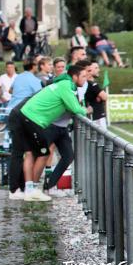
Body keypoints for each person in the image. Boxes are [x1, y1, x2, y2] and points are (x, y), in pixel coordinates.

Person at [12, 65, 89, 202]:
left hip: (27, 115)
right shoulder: (66, 85)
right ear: (74, 76)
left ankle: (30, 189)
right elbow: (75, 108)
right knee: (43, 153)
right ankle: (32, 189)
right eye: (83, 76)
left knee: (31, 153)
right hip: (33, 118)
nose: (85, 78)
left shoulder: (63, 83)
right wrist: (87, 110)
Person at [84, 61, 108, 128]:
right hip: (96, 117)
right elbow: (105, 97)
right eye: (96, 68)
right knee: (101, 137)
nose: (99, 70)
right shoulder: (92, 84)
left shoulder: (88, 83)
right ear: (90, 70)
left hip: (93, 116)